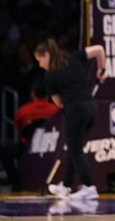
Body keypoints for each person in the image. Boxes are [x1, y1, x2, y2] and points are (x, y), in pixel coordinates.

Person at [35, 38, 106, 200]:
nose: (40, 65)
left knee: (75, 149)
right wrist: (101, 70)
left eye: (40, 60)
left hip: (75, 110)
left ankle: (89, 186)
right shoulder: (74, 57)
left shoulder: (50, 76)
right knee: (73, 147)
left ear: (46, 55)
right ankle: (66, 186)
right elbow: (99, 50)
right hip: (91, 108)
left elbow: (59, 103)